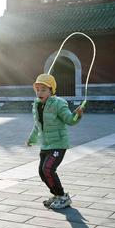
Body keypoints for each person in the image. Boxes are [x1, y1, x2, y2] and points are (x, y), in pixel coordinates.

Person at [26, 74, 83, 210]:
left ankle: (63, 197)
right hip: (45, 144)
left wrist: (78, 115)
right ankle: (57, 195)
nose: (39, 92)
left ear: (51, 90)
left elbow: (69, 120)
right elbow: (37, 125)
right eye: (37, 89)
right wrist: (32, 139)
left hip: (58, 144)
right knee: (42, 171)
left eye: (43, 90)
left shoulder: (59, 103)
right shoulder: (37, 105)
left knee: (48, 169)